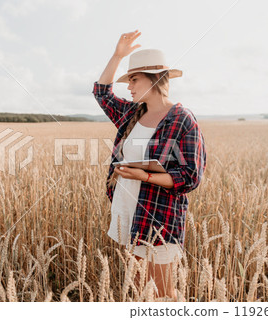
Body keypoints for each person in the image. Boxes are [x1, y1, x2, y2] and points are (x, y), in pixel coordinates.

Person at [92, 30, 207, 301]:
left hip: (159, 217)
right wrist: (118, 55)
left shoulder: (182, 119)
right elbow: (102, 93)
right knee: (141, 291)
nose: (129, 86)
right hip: (128, 212)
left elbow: (189, 177)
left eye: (134, 79)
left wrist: (144, 175)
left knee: (164, 294)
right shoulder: (133, 112)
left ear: (155, 79)